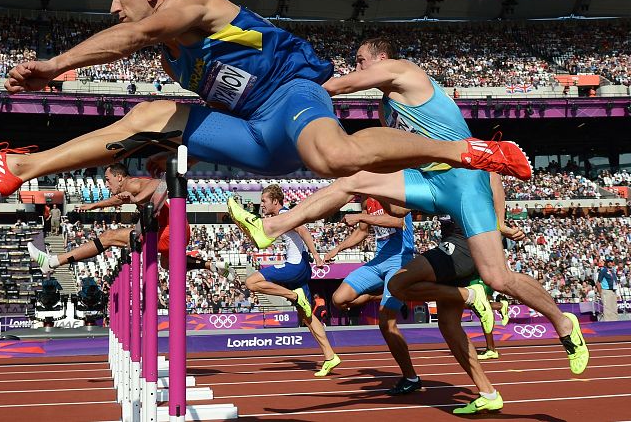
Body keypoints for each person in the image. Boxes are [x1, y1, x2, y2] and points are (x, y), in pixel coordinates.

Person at [0, 0, 531, 197]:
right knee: (152, 117)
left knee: (334, 159)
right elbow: (223, 100)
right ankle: (19, 169)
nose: (113, 5)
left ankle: (464, 150)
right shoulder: (173, 59)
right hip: (255, 134)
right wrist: (189, 146)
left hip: (293, 96)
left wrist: (54, 67)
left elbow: (130, 36)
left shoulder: (196, 4)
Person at [227, 38, 588, 376]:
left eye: (360, 60)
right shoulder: (387, 109)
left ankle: (562, 321)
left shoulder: (404, 70)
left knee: (497, 277)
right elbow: (398, 160)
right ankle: (270, 227)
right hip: (429, 183)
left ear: (381, 58)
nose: (356, 66)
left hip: (463, 180)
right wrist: (385, 194)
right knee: (351, 178)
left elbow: (343, 85)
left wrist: (292, 97)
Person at [387, 214, 515, 414]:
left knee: (397, 283)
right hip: (458, 245)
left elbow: (397, 211)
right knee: (449, 326)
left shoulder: (469, 182)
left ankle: (471, 295)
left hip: (462, 246)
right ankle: (488, 393)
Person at [28, 163, 232, 278]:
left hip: (172, 229)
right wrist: (93, 206)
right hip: (176, 229)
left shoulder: (133, 184)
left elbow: (159, 184)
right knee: (168, 264)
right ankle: (209, 266)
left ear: (119, 177)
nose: (106, 184)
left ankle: (53, 261)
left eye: (107, 179)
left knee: (108, 237)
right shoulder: (128, 187)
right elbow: (116, 199)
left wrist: (135, 199)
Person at [322, 200, 420, 394]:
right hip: (378, 261)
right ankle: (385, 295)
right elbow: (362, 232)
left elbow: (398, 221)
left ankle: (411, 377)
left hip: (400, 259)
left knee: (386, 323)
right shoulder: (367, 201)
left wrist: (359, 216)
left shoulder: (391, 193)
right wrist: (337, 248)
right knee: (339, 299)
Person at [245, 185, 340, 377]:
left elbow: (304, 232)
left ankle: (293, 296)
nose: (261, 204)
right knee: (306, 315)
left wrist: (317, 257)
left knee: (251, 282)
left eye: (264, 201)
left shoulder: (287, 214)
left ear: (275, 201)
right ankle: (330, 356)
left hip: (296, 267)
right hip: (300, 267)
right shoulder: (278, 218)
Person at [597, 257, 619, 321]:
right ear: (606, 263)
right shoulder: (603, 271)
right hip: (606, 291)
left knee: (614, 308)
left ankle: (615, 322)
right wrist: (601, 293)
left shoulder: (613, 271)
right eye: (608, 262)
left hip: (613, 291)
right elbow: (598, 282)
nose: (610, 263)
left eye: (611, 262)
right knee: (607, 309)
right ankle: (608, 323)